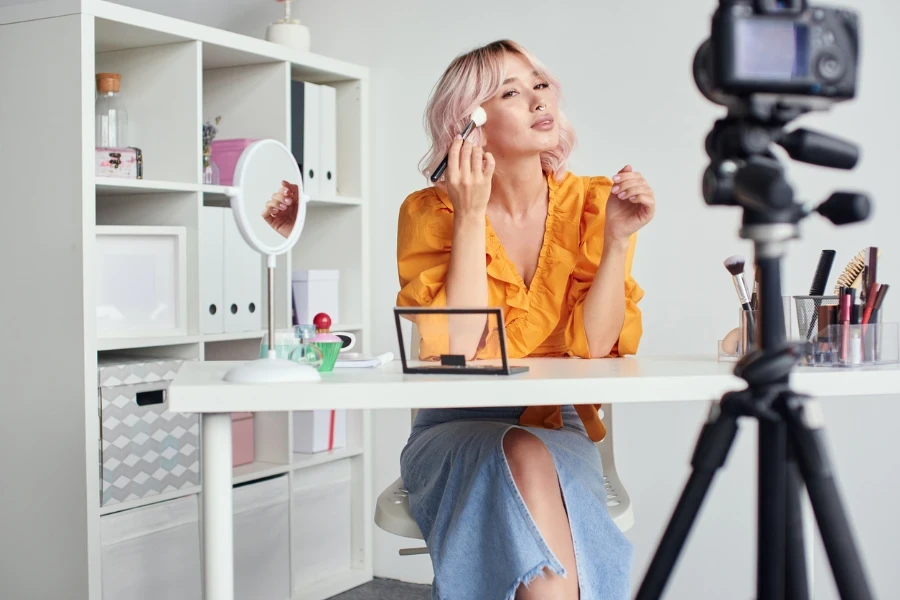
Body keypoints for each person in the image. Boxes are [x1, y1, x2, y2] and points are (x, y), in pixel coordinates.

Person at [395, 40, 656, 600]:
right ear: (470, 126)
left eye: (540, 83)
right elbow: (460, 350)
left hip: (555, 426)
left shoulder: (593, 203)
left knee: (530, 450)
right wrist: (469, 213)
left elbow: (596, 346)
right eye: (511, 92)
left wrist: (615, 243)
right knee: (519, 452)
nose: (538, 98)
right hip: (454, 427)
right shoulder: (429, 211)